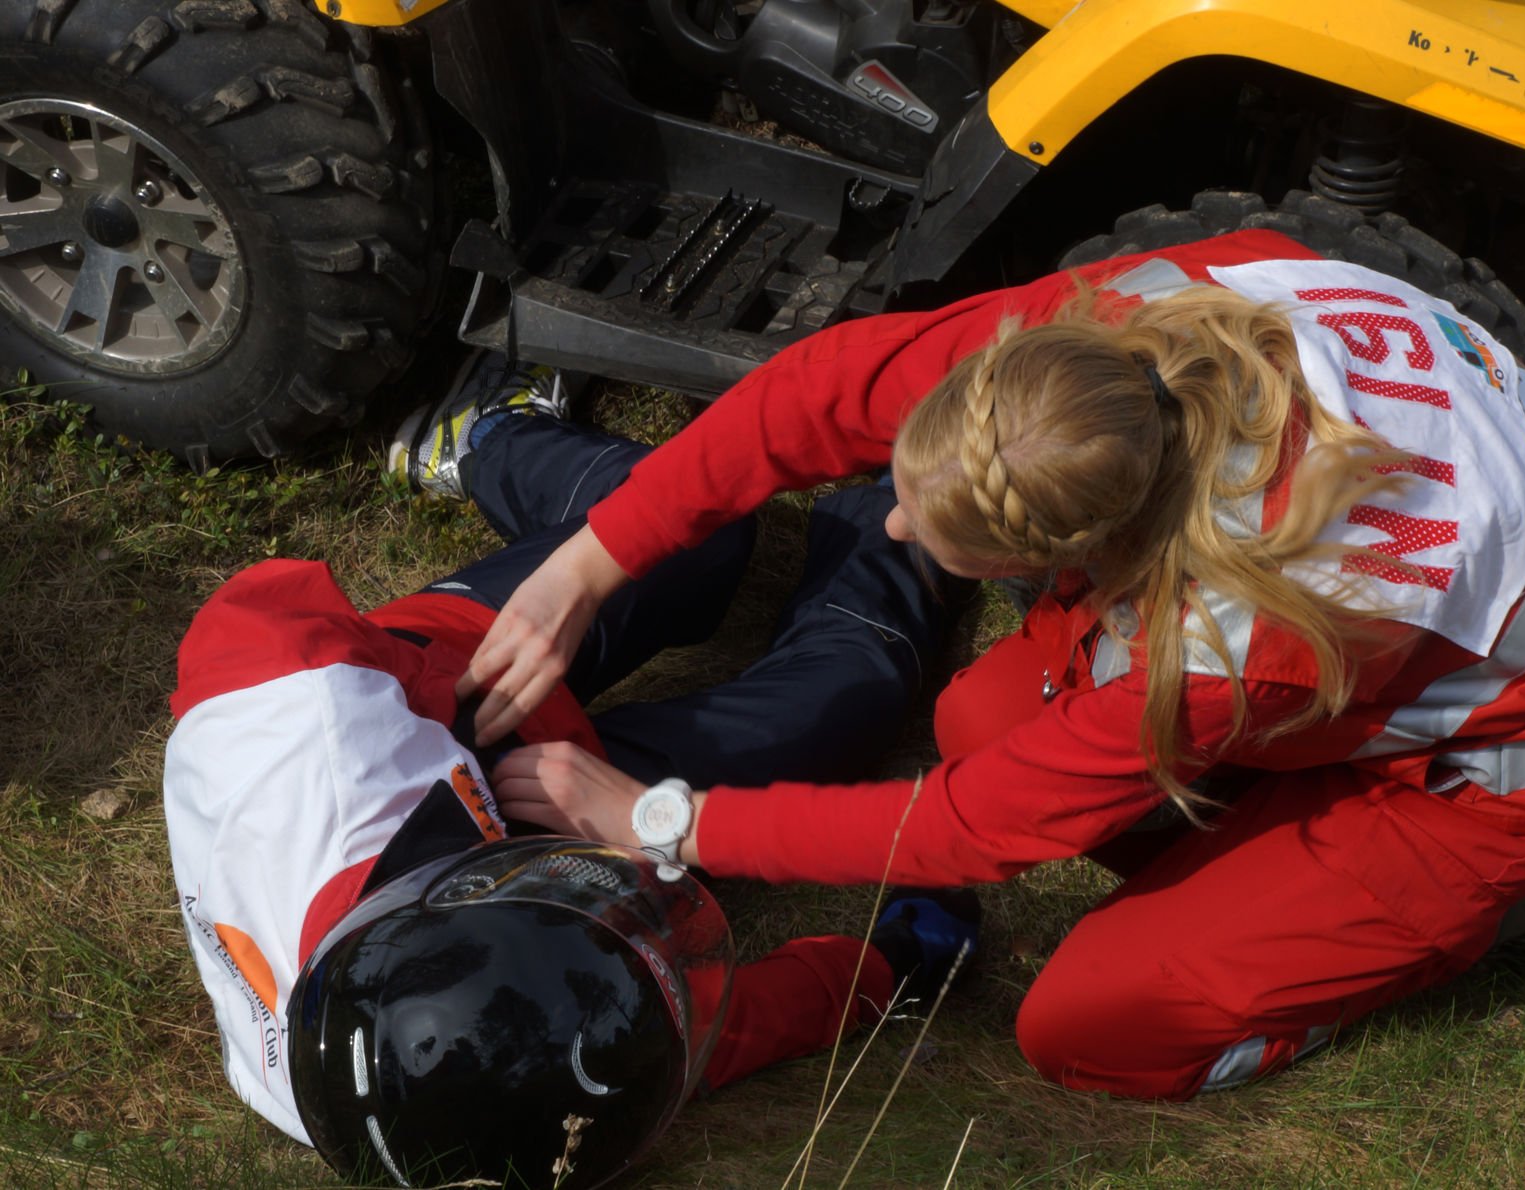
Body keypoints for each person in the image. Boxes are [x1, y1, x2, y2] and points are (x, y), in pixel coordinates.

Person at [467, 229, 1525, 1100]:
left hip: (1523, 738)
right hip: (1456, 592)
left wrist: (663, 818)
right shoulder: (1108, 350)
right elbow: (818, 393)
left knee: (1093, 1027)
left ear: (1097, 552)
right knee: (981, 714)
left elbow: (969, 833)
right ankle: (1268, 846)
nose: (889, 528)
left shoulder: (1236, 634)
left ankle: (1489, 904)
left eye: (924, 531)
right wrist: (588, 564)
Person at [161, 357, 979, 1186]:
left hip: (438, 684)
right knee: (848, 693)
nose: (632, 901)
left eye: (585, 902)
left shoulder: (313, 734)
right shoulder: (447, 1106)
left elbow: (250, 615)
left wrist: (486, 710)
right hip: (493, 820)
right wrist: (892, 963)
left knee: (695, 535)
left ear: (470, 888)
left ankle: (484, 432)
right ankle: (900, 497)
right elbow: (684, 1030)